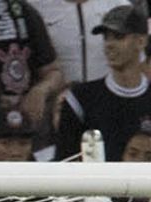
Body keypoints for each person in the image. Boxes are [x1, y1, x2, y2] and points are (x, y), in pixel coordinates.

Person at [57, 4, 151, 161]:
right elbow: (66, 161)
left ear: (141, 41)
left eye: (119, 37)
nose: (109, 44)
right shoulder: (80, 99)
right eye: (106, 37)